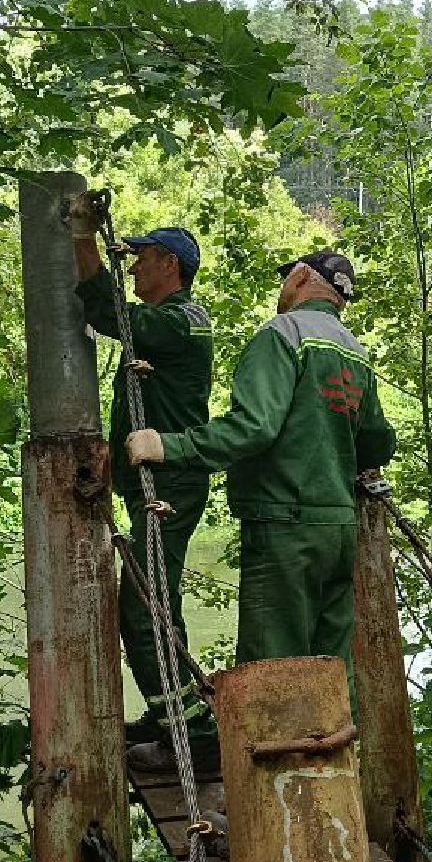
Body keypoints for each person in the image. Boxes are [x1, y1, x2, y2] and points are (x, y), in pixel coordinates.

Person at [125, 250, 395, 771]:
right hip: (338, 532)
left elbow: (254, 428)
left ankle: (272, 816)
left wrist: (169, 447)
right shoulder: (355, 352)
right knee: (330, 675)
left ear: (299, 279)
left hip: (284, 528)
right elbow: (377, 441)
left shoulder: (283, 334)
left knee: (271, 675)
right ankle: (331, 798)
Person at [65, 193, 215, 748]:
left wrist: (83, 238)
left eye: (142, 258)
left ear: (169, 265)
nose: (133, 267)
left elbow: (110, 314)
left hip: (169, 485)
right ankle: (170, 716)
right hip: (155, 484)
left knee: (143, 606)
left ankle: (190, 733)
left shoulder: (182, 322)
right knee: (156, 601)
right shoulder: (172, 320)